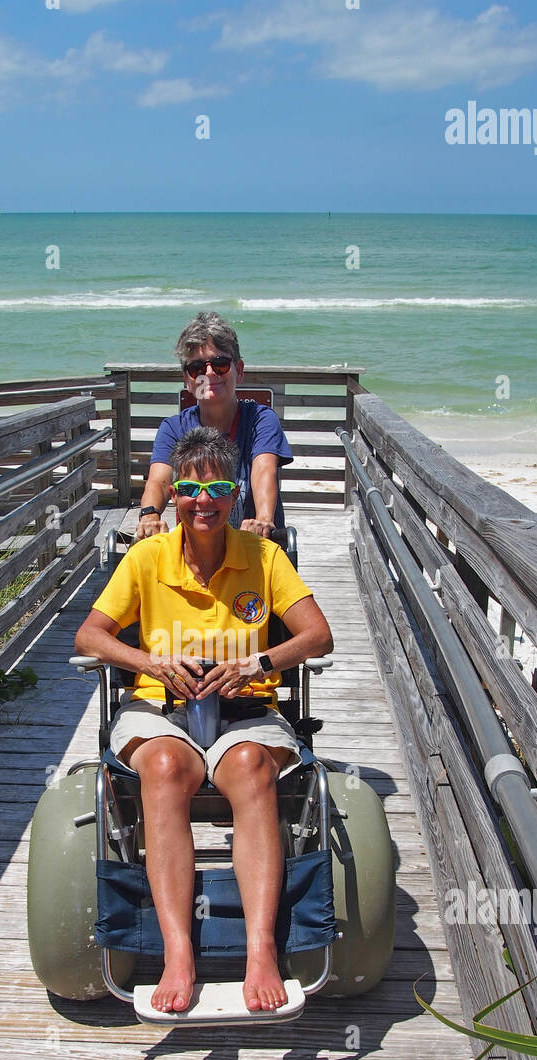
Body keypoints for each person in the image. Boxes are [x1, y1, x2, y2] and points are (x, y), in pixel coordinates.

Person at [76, 428, 333, 1015]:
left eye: (218, 487)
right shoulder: (146, 558)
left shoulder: (263, 557)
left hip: (248, 709)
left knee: (248, 767)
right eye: (189, 489)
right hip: (159, 709)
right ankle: (177, 952)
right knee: (164, 768)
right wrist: (149, 661)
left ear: (237, 492)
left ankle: (262, 949)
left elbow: (318, 635)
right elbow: (89, 635)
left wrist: (259, 662)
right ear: (173, 497)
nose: (203, 501)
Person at [134, 312, 291, 541]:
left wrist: (264, 519)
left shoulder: (261, 420)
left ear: (240, 369)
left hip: (251, 549)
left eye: (220, 364)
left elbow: (263, 470)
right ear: (187, 380)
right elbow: (159, 480)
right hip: (193, 554)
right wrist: (149, 514)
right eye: (197, 368)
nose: (209, 373)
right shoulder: (173, 428)